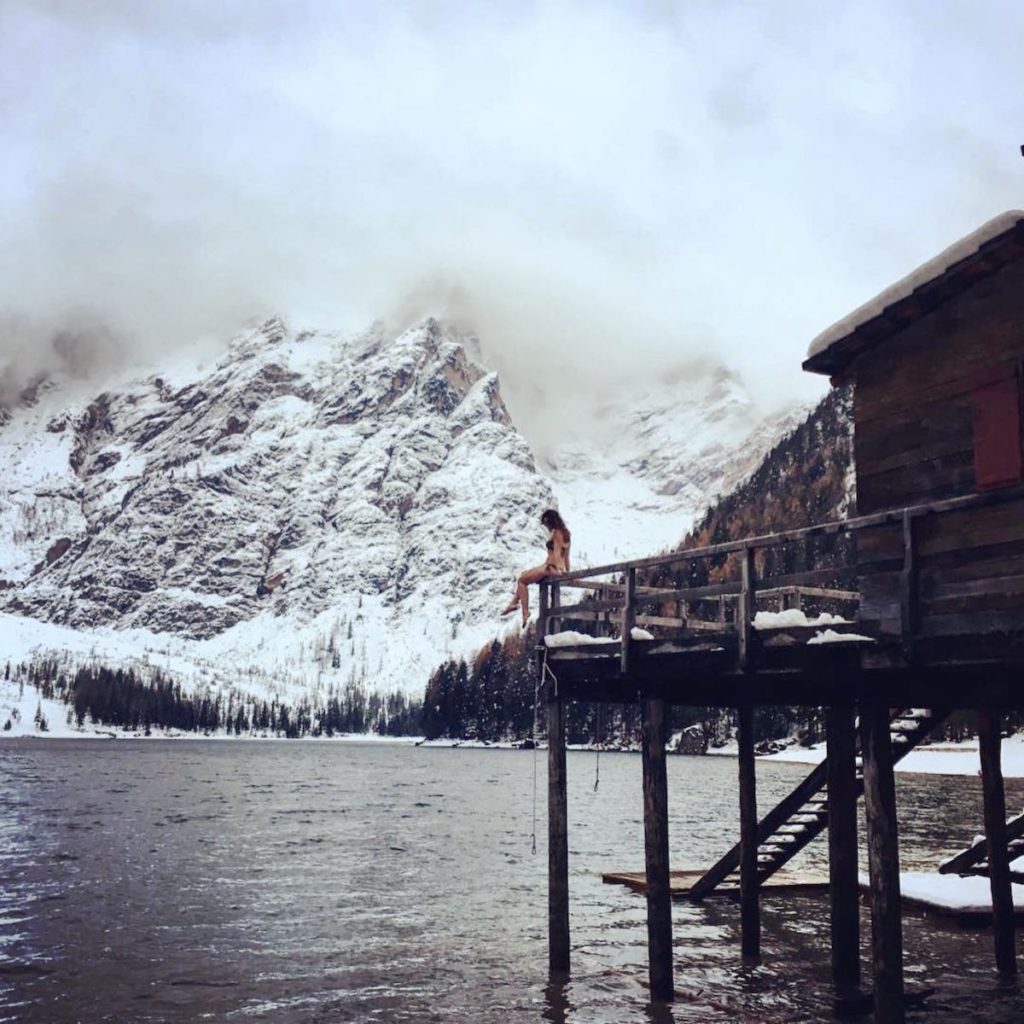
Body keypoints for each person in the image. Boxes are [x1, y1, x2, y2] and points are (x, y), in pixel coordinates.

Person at [501, 509, 571, 627]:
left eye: (546, 523)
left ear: (550, 521)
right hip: (553, 567)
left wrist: (558, 570)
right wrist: (568, 573)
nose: (546, 526)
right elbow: (566, 557)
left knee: (522, 581)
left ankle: (525, 612)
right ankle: (513, 603)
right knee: (524, 574)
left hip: (551, 568)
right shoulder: (566, 534)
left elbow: (557, 553)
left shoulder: (556, 533)